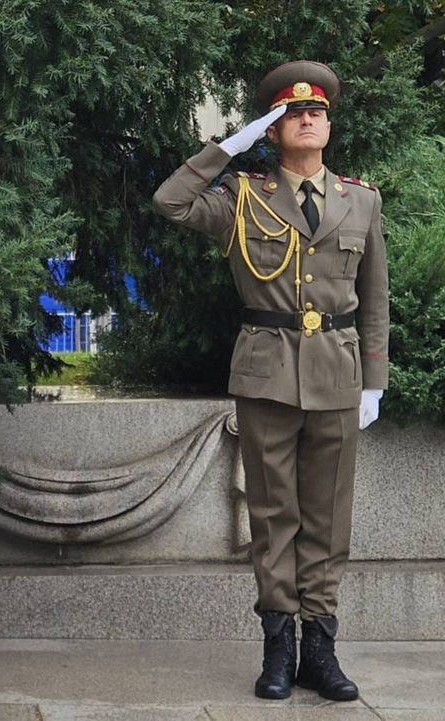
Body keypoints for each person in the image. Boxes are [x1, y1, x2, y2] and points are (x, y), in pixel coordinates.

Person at [152, 60, 389, 702]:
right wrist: (229, 145)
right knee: (273, 514)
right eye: (291, 113)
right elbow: (170, 201)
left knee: (328, 518)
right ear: (273, 129)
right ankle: (278, 645)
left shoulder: (360, 200)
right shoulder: (244, 196)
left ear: (329, 126)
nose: (307, 118)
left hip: (339, 375)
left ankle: (321, 647)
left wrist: (375, 381)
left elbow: (374, 301)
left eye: (317, 112)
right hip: (266, 372)